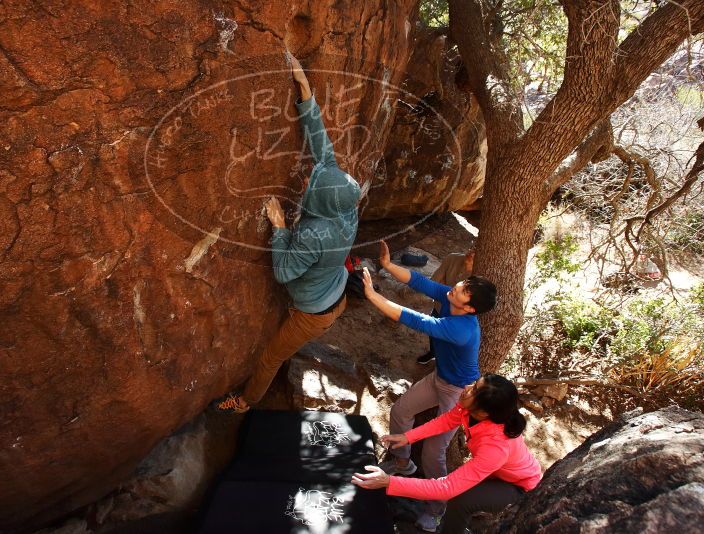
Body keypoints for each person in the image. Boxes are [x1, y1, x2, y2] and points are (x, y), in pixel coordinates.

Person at [217, 55, 361, 413]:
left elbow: (284, 272)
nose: (311, 177)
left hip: (313, 310)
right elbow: (322, 148)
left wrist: (280, 228)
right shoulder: (344, 203)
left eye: (314, 183)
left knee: (270, 358)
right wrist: (304, 88)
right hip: (333, 285)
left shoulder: (315, 232)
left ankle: (246, 402)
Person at [360, 250, 496, 532]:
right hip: (438, 378)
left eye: (461, 290)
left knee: (434, 452)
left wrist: (373, 296)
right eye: (459, 285)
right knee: (400, 411)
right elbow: (422, 283)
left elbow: (416, 320)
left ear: (470, 307)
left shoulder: (462, 328)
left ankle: (437, 509)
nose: (454, 287)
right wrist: (387, 265)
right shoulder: (451, 300)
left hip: (458, 393)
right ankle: (402, 463)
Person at [351, 374, 542, 534]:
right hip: (500, 472)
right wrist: (408, 437)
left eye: (474, 389)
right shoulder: (470, 409)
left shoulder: (496, 447)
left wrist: (390, 482)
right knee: (461, 493)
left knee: (461, 500)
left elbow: (447, 488)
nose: (467, 387)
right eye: (474, 384)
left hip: (520, 487)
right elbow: (448, 420)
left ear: (484, 413)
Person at [417, 247, 475, 365]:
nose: (471, 251)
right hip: (440, 306)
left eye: (477, 251)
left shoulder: (480, 273)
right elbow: (434, 282)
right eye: (473, 247)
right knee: (433, 332)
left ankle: (444, 362)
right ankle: (433, 352)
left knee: (451, 342)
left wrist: (444, 290)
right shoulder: (452, 258)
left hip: (460, 316)